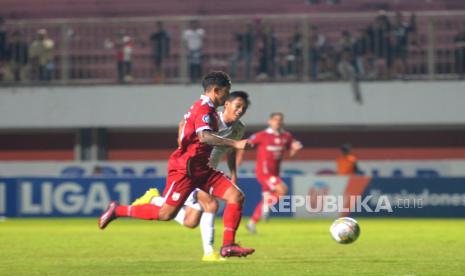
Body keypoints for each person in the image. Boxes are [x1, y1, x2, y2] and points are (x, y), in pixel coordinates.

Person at [98, 71, 255, 258]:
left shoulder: (209, 110)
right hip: (185, 170)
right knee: (166, 214)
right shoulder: (203, 109)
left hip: (202, 168)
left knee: (235, 196)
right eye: (226, 92)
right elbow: (204, 137)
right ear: (216, 90)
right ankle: (118, 210)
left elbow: (186, 127)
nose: (227, 96)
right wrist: (235, 143)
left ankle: (227, 245)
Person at [132, 91, 250, 261]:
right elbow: (184, 123)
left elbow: (232, 150)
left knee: (190, 222)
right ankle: (210, 253)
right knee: (211, 205)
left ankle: (155, 200)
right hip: (193, 169)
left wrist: (233, 173)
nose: (240, 110)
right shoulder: (211, 117)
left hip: (208, 172)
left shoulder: (239, 128)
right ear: (226, 105)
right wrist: (182, 142)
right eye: (237, 106)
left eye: (243, 108)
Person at [245, 112, 303, 234]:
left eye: (280, 120)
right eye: (275, 119)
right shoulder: (262, 135)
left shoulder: (286, 136)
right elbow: (246, 144)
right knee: (282, 189)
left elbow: (291, 155)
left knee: (272, 196)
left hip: (275, 173)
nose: (278, 122)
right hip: (264, 173)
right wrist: (237, 158)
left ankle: (252, 222)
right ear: (269, 122)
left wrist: (295, 150)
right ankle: (266, 208)